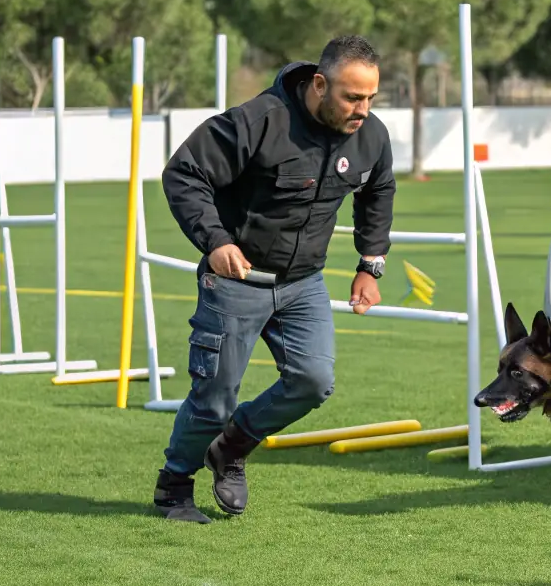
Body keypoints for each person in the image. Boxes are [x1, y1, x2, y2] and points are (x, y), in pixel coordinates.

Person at [150, 35, 396, 523]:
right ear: (320, 84)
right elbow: (184, 173)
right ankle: (174, 485)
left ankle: (232, 448)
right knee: (214, 398)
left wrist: (370, 264)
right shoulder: (257, 122)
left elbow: (378, 188)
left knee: (313, 380)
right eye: (352, 97)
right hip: (237, 281)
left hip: (303, 283)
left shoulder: (370, 135)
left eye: (370, 98)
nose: (362, 110)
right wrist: (216, 241)